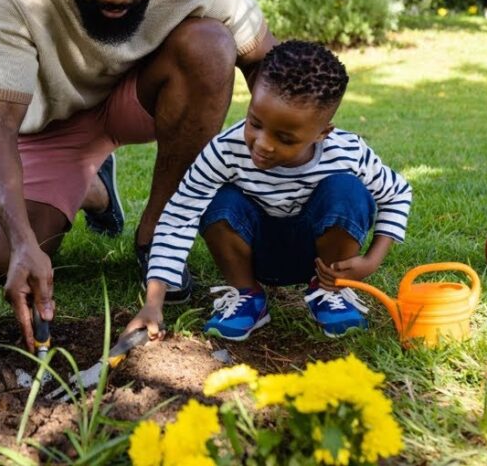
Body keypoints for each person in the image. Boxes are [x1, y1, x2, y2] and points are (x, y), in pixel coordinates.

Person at [0, 0, 276, 351]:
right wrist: (24, 240)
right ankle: (93, 188)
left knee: (212, 45)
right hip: (50, 126)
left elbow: (268, 65)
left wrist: (290, 159)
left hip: (138, 100)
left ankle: (156, 236)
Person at [125, 40, 413, 342]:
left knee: (348, 190)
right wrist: (153, 303)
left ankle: (330, 292)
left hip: (320, 257)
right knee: (218, 200)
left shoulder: (347, 151)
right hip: (252, 252)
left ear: (322, 133)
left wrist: (372, 261)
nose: (262, 144)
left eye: (285, 138)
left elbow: (398, 194)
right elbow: (179, 214)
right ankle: (248, 297)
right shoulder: (225, 150)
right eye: (255, 123)